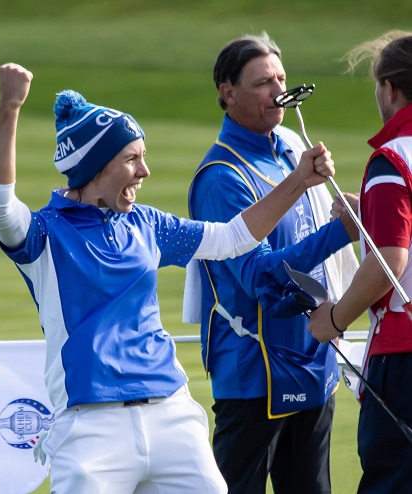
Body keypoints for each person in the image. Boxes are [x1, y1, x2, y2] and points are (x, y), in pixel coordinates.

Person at [0, 62, 336, 494]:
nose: (145, 172)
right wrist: (11, 105)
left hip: (171, 413)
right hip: (91, 427)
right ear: (96, 167)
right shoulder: (44, 235)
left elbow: (231, 237)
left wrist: (299, 180)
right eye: (132, 159)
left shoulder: (145, 223)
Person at [185, 33, 359, 494]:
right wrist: (341, 230)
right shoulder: (221, 179)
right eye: (263, 83)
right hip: (253, 376)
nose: (278, 90)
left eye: (281, 78)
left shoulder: (287, 148)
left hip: (313, 361)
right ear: (228, 92)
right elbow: (260, 275)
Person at [308, 30, 412, 494]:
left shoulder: (392, 159)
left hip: (403, 351)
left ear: (389, 88)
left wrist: (334, 317)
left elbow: (390, 258)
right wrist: (371, 212)